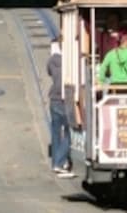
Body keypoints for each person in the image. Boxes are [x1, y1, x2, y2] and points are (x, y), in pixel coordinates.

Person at [47, 38, 74, 177]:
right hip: (65, 99)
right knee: (71, 133)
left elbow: (50, 73)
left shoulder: (52, 60)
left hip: (53, 99)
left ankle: (55, 164)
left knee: (56, 132)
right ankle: (60, 161)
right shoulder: (71, 61)